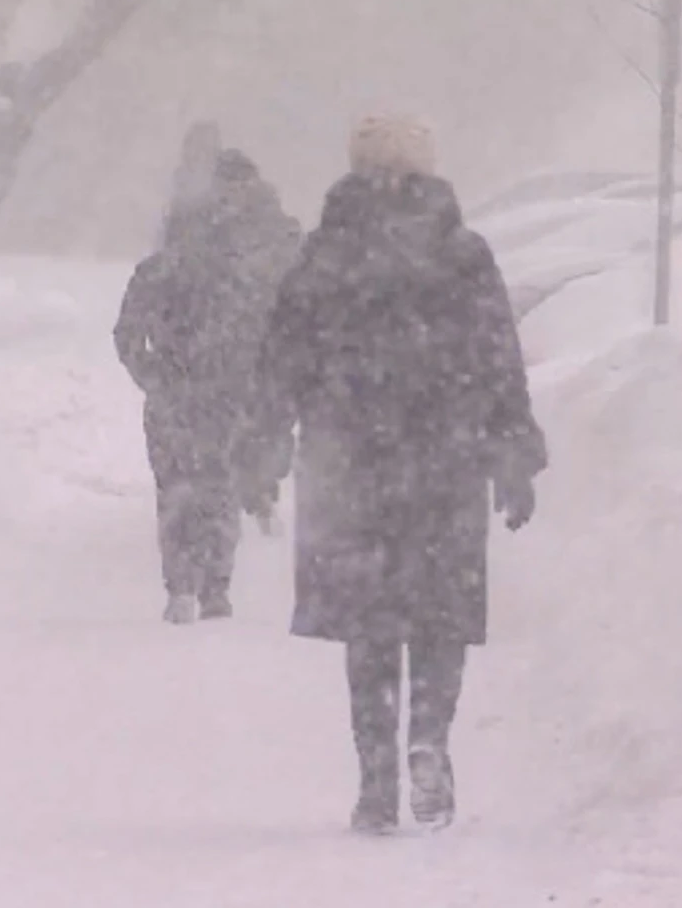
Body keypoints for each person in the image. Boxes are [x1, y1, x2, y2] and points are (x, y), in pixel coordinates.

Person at [242, 115, 545, 834]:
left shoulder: (325, 254)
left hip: (350, 467)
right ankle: (429, 741)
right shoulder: (463, 254)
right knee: (440, 617)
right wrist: (513, 454)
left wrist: (264, 443)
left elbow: (284, 357)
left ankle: (376, 782)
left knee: (369, 630)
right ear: (428, 170)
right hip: (446, 462)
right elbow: (498, 357)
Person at [116, 137, 303, 624]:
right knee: (216, 482)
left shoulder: (163, 267)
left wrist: (154, 376)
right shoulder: (238, 269)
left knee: (177, 486)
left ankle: (182, 584)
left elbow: (129, 331)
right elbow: (264, 326)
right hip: (223, 392)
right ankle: (215, 584)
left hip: (178, 394)